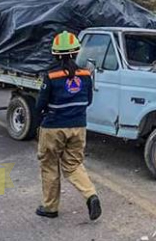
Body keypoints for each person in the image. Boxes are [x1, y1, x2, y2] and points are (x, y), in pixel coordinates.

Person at [35, 31, 101, 221]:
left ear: (55, 54)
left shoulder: (51, 75)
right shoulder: (86, 74)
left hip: (54, 126)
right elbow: (88, 100)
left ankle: (50, 208)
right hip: (78, 126)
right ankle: (90, 195)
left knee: (49, 166)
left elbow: (40, 105)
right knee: (73, 165)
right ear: (76, 52)